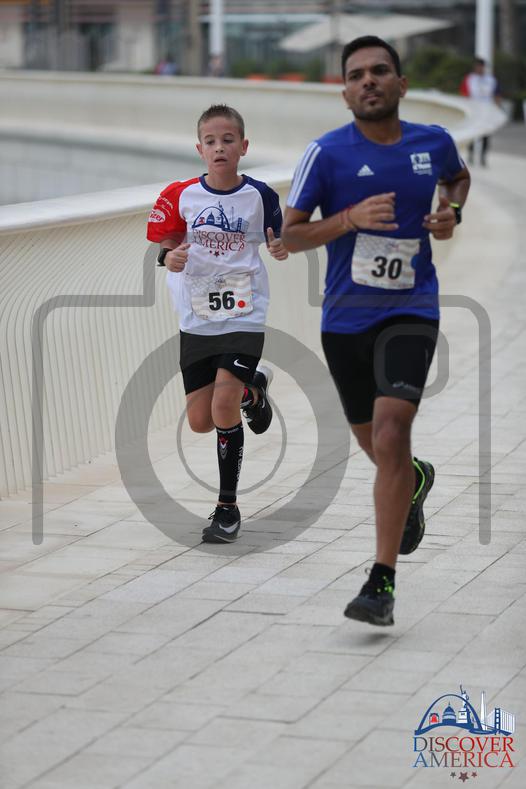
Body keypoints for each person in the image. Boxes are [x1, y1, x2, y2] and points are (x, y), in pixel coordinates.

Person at [282, 36, 470, 626]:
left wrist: (451, 213)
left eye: (380, 70)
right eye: (356, 74)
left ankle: (380, 582)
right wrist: (348, 219)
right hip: (345, 320)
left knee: (391, 433)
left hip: (412, 308)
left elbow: (458, 179)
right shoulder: (326, 154)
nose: (368, 80)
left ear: (400, 84)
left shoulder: (432, 142)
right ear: (344, 93)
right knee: (377, 447)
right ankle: (415, 479)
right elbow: (290, 235)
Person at [147, 104, 288, 543]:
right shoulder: (181, 195)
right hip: (197, 316)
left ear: (243, 147)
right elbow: (166, 244)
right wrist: (168, 256)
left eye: (228, 140)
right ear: (200, 150)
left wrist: (282, 248)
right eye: (210, 141)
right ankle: (253, 390)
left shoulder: (260, 196)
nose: (219, 148)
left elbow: (279, 237)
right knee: (200, 421)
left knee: (223, 406)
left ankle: (227, 509)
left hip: (245, 313)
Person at [460, 57, 501, 166]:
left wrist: (496, 109)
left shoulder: (491, 80)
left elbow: (497, 95)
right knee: (472, 133)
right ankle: (471, 155)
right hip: (474, 111)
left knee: (485, 134)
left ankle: (483, 157)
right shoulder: (470, 79)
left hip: (486, 111)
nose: (479, 68)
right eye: (477, 66)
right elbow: (464, 94)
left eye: (481, 66)